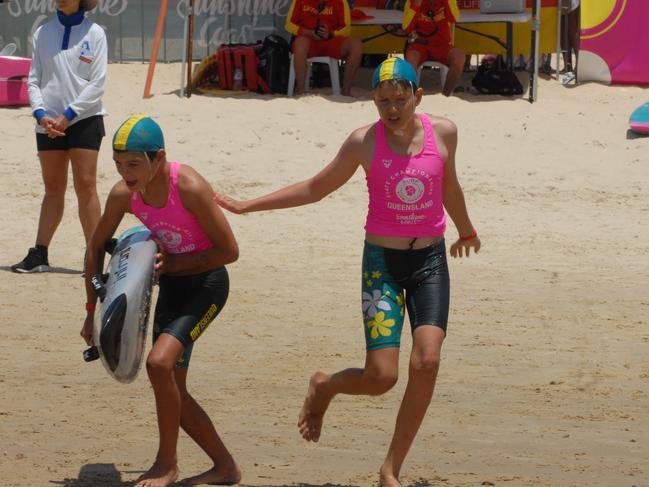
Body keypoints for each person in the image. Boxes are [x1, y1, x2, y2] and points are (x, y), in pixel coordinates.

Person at [215, 57, 481, 487]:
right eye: (383, 102)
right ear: (373, 101)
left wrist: (466, 230)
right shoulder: (363, 143)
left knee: (428, 361)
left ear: (418, 96)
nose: (393, 109)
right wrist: (249, 205)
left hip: (430, 261)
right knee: (381, 378)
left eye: (400, 100)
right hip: (383, 267)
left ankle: (390, 469)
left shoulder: (444, 132)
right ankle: (326, 385)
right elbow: (315, 188)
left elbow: (449, 185)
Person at [81, 115, 241, 487]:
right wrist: (92, 310)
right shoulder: (124, 194)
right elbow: (94, 249)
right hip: (171, 287)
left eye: (134, 164)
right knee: (172, 388)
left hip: (207, 286)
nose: (126, 174)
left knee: (158, 364)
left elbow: (229, 251)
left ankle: (166, 464)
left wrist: (177, 263)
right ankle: (225, 468)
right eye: (119, 165)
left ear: (159, 157)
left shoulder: (188, 187)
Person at [12, 0, 107, 273]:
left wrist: (68, 115)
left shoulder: (95, 33)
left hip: (85, 118)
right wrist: (40, 113)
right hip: (48, 120)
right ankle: (40, 254)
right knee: (52, 190)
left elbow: (98, 83)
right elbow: (34, 78)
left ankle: (94, 256)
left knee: (86, 187)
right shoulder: (43, 32)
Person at [285, 0, 363, 96]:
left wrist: (330, 34)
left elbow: (346, 29)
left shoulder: (341, 2)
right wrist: (308, 32)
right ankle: (301, 91)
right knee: (300, 44)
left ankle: (346, 91)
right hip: (308, 39)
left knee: (356, 45)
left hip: (331, 41)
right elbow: (288, 25)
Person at [402, 0, 465, 96]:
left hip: (442, 45)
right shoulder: (411, 2)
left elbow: (454, 18)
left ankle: (446, 95)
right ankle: (410, 97)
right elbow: (406, 28)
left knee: (459, 57)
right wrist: (416, 6)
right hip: (419, 44)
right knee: (410, 60)